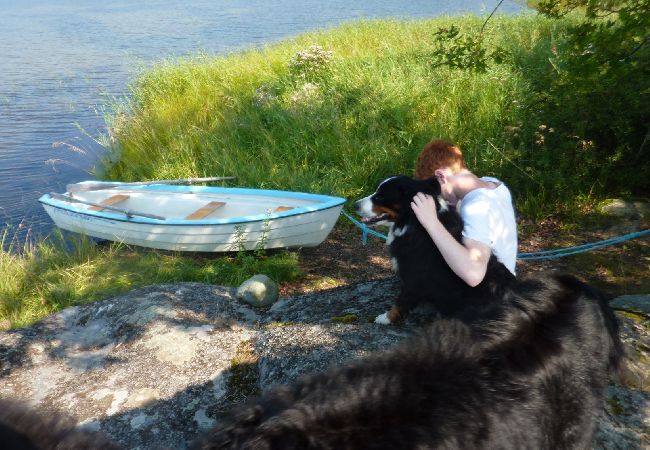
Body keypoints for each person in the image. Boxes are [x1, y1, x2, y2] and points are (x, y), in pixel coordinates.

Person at [411, 139, 517, 286]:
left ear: (441, 176)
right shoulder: (495, 185)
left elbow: (474, 275)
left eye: (436, 191)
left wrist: (431, 222)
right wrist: (457, 201)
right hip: (507, 282)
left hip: (488, 297)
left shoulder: (475, 208)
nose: (439, 198)